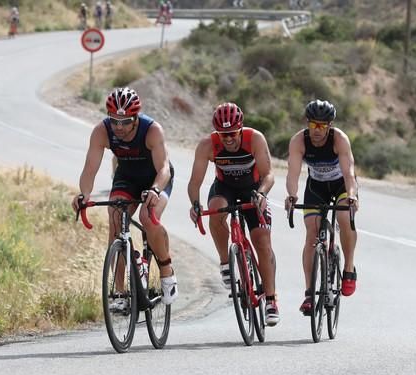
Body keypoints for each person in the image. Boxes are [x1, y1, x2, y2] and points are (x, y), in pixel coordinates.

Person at [71, 87, 178, 305]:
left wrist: (156, 190)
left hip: (156, 178)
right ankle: (120, 293)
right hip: (127, 177)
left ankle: (167, 270)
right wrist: (84, 194)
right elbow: (89, 169)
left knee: (148, 218)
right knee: (115, 219)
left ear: (136, 118)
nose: (119, 127)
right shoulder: (101, 131)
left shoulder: (152, 130)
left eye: (126, 121)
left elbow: (164, 169)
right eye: (114, 121)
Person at [187, 102, 280, 326]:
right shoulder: (207, 145)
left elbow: (268, 175)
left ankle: (270, 299)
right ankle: (225, 264)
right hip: (225, 187)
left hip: (253, 189)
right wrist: (195, 204)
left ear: (240, 128)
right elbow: (194, 182)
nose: (228, 139)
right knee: (216, 211)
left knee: (261, 240)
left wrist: (261, 194)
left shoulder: (254, 139)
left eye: (232, 134)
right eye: (223, 134)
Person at [285, 99, 359, 315]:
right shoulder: (299, 141)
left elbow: (349, 173)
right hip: (316, 187)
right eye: (313, 125)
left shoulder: (339, 139)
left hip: (341, 186)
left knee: (345, 219)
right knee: (311, 234)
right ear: (307, 124)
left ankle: (348, 268)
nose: (317, 130)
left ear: (329, 125)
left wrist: (352, 196)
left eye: (322, 126)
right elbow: (293, 174)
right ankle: (309, 293)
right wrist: (291, 195)